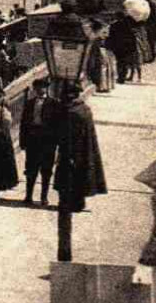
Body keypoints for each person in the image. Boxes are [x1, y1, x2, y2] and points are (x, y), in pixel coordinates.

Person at [54, 81, 107, 213]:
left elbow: (71, 135)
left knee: (69, 177)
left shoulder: (71, 112)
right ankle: (78, 202)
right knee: (81, 176)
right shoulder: (84, 109)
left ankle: (68, 202)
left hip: (72, 151)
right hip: (85, 150)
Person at [20, 79, 57, 205]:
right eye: (38, 88)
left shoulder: (54, 104)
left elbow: (58, 125)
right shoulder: (29, 103)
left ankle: (44, 197)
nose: (40, 90)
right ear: (35, 89)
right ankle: (28, 195)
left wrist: (55, 142)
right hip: (32, 139)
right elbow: (23, 123)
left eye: (43, 87)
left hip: (47, 141)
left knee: (46, 170)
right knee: (31, 169)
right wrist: (23, 141)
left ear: (47, 89)